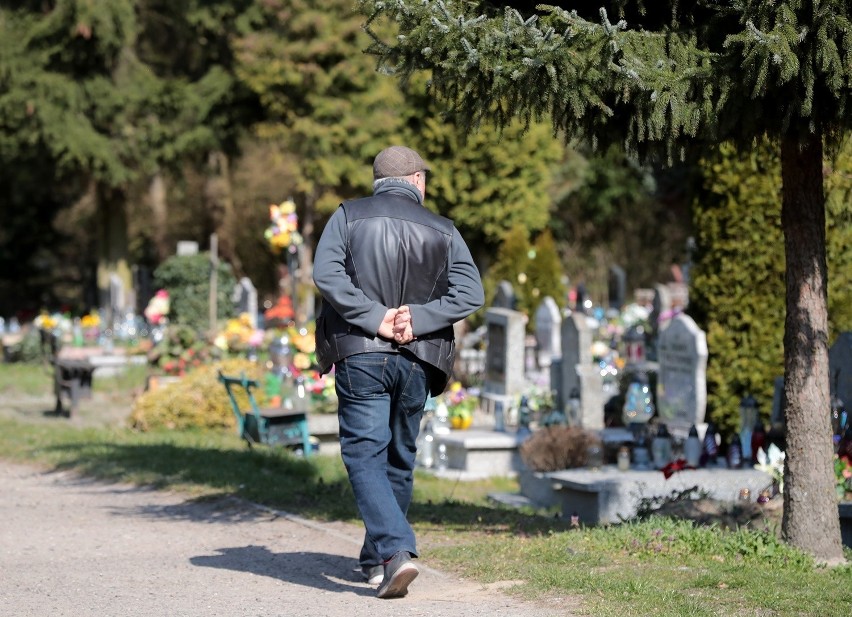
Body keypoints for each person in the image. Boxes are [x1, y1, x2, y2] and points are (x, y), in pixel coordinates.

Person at [313, 145, 484, 599]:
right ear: (417, 179)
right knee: (398, 459)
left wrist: (374, 317)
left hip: (360, 351)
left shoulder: (347, 216)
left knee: (365, 453)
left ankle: (391, 553)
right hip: (418, 358)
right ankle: (380, 561)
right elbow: (471, 291)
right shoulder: (445, 230)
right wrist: (419, 318)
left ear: (377, 180)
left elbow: (326, 274)